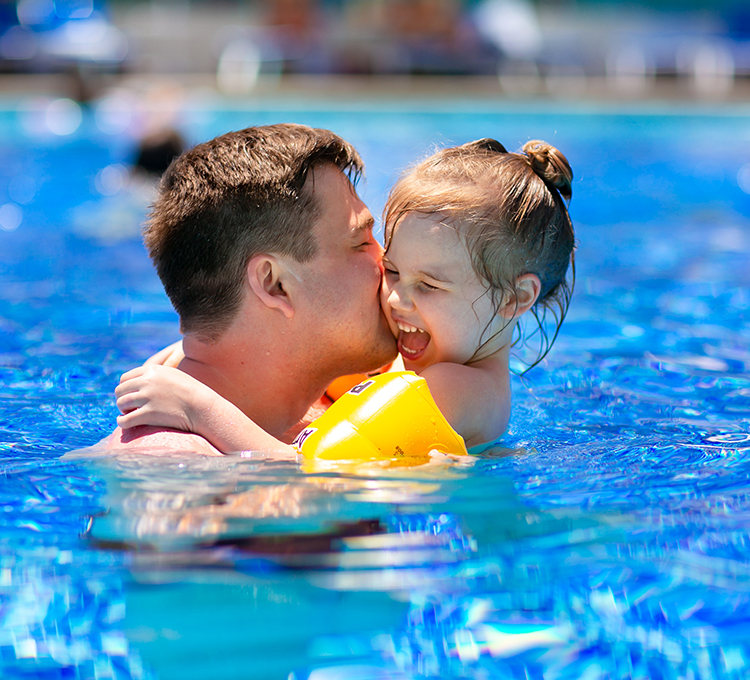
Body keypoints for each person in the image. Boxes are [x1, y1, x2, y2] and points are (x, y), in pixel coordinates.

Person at [114, 137, 575, 455]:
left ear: (514, 298)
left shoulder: (454, 390)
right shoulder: (437, 358)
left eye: (429, 285)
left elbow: (313, 467)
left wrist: (199, 405)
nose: (395, 298)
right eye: (393, 269)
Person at [102, 123, 398, 455]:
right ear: (275, 285)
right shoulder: (173, 465)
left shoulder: (311, 405)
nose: (387, 259)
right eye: (361, 243)